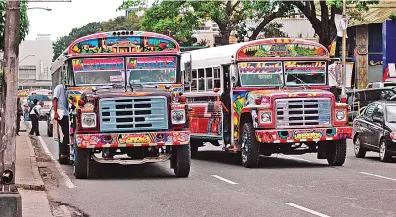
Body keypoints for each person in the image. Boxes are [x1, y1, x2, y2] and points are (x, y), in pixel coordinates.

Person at [53, 83, 70, 164]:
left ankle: (67, 154)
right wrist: (55, 112)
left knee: (67, 135)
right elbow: (55, 99)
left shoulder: (70, 88)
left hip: (68, 114)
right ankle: (63, 156)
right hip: (62, 114)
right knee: (63, 135)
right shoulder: (59, 87)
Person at [220, 82, 231, 147]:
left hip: (230, 112)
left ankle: (229, 141)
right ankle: (226, 142)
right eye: (227, 84)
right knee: (226, 127)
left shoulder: (230, 93)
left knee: (230, 127)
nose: (228, 86)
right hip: (226, 113)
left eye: (228, 84)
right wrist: (226, 109)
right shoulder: (224, 93)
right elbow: (222, 102)